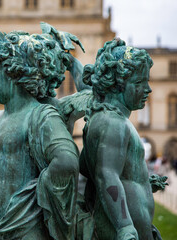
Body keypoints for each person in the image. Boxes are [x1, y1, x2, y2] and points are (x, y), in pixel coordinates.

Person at [0, 27, 82, 239]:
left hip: (22, 229)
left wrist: (36, 193)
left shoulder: (41, 116)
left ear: (15, 74)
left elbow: (67, 161)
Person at [79, 38, 167, 240]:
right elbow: (106, 175)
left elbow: (88, 168)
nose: (148, 89)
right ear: (116, 85)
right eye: (139, 82)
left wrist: (140, 179)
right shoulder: (113, 123)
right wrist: (125, 227)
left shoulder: (108, 119)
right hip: (126, 232)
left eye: (147, 81)